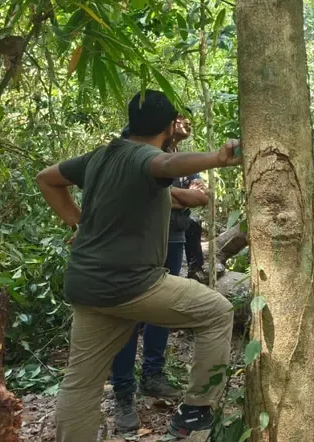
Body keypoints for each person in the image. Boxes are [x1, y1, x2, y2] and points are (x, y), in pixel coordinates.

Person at [36, 90, 241, 440]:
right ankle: (196, 409)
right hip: (132, 284)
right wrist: (217, 158)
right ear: (168, 126)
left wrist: (77, 222)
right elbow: (165, 165)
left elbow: (46, 178)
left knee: (81, 382)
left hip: (86, 285)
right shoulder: (146, 157)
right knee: (217, 311)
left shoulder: (99, 156)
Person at [110, 112, 210, 432]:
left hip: (173, 238)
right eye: (179, 118)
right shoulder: (137, 150)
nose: (185, 124)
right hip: (138, 240)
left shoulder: (183, 161)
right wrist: (179, 196)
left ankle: (153, 374)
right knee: (128, 312)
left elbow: (201, 196)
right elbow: (153, 194)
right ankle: (123, 391)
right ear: (165, 125)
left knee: (163, 311)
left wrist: (175, 196)